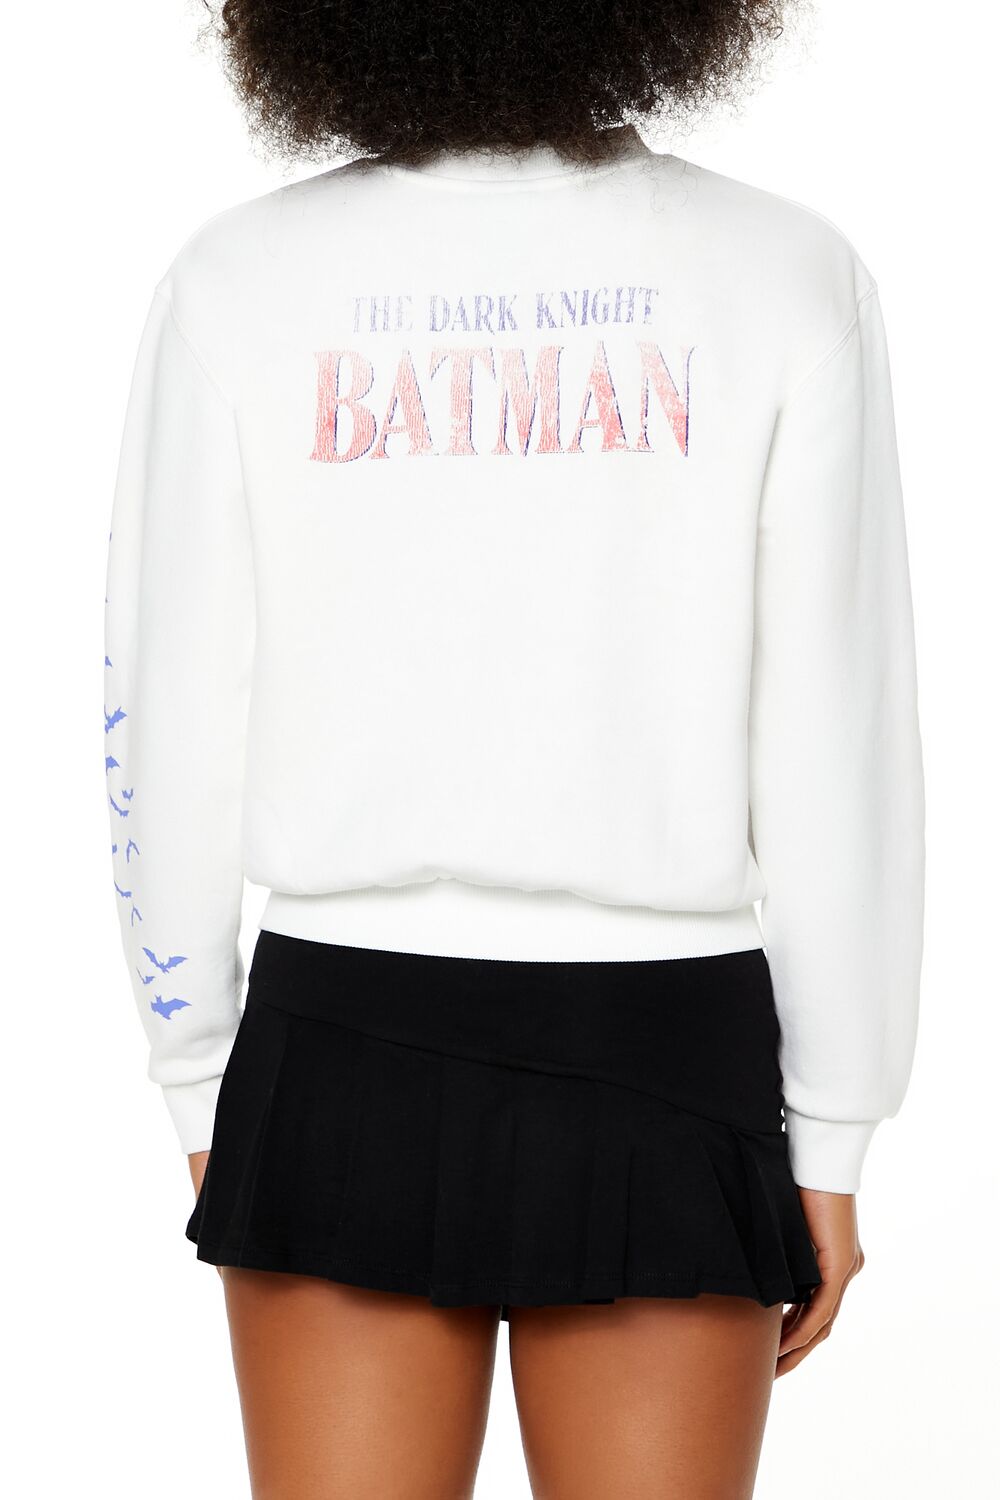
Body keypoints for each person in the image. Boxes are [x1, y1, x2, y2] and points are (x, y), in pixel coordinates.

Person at [102, 2, 925, 1495]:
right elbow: (836, 740)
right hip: (666, 1048)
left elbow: (167, 709)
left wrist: (196, 1071)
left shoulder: (242, 279)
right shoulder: (782, 272)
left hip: (343, 1043)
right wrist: (835, 1127)